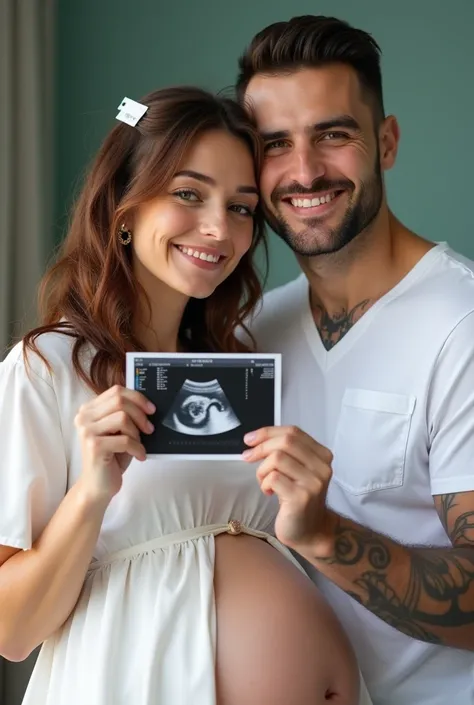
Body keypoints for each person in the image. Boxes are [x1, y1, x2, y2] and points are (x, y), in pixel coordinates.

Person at [0, 86, 365, 705]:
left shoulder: (241, 367)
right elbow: (12, 632)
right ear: (124, 205)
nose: (219, 228)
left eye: (243, 207)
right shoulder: (47, 368)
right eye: (188, 194)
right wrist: (92, 491)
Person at [235, 14, 474, 705]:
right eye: (274, 144)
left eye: (332, 135)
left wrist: (324, 536)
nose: (304, 171)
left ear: (386, 141)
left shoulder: (458, 325)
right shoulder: (253, 332)